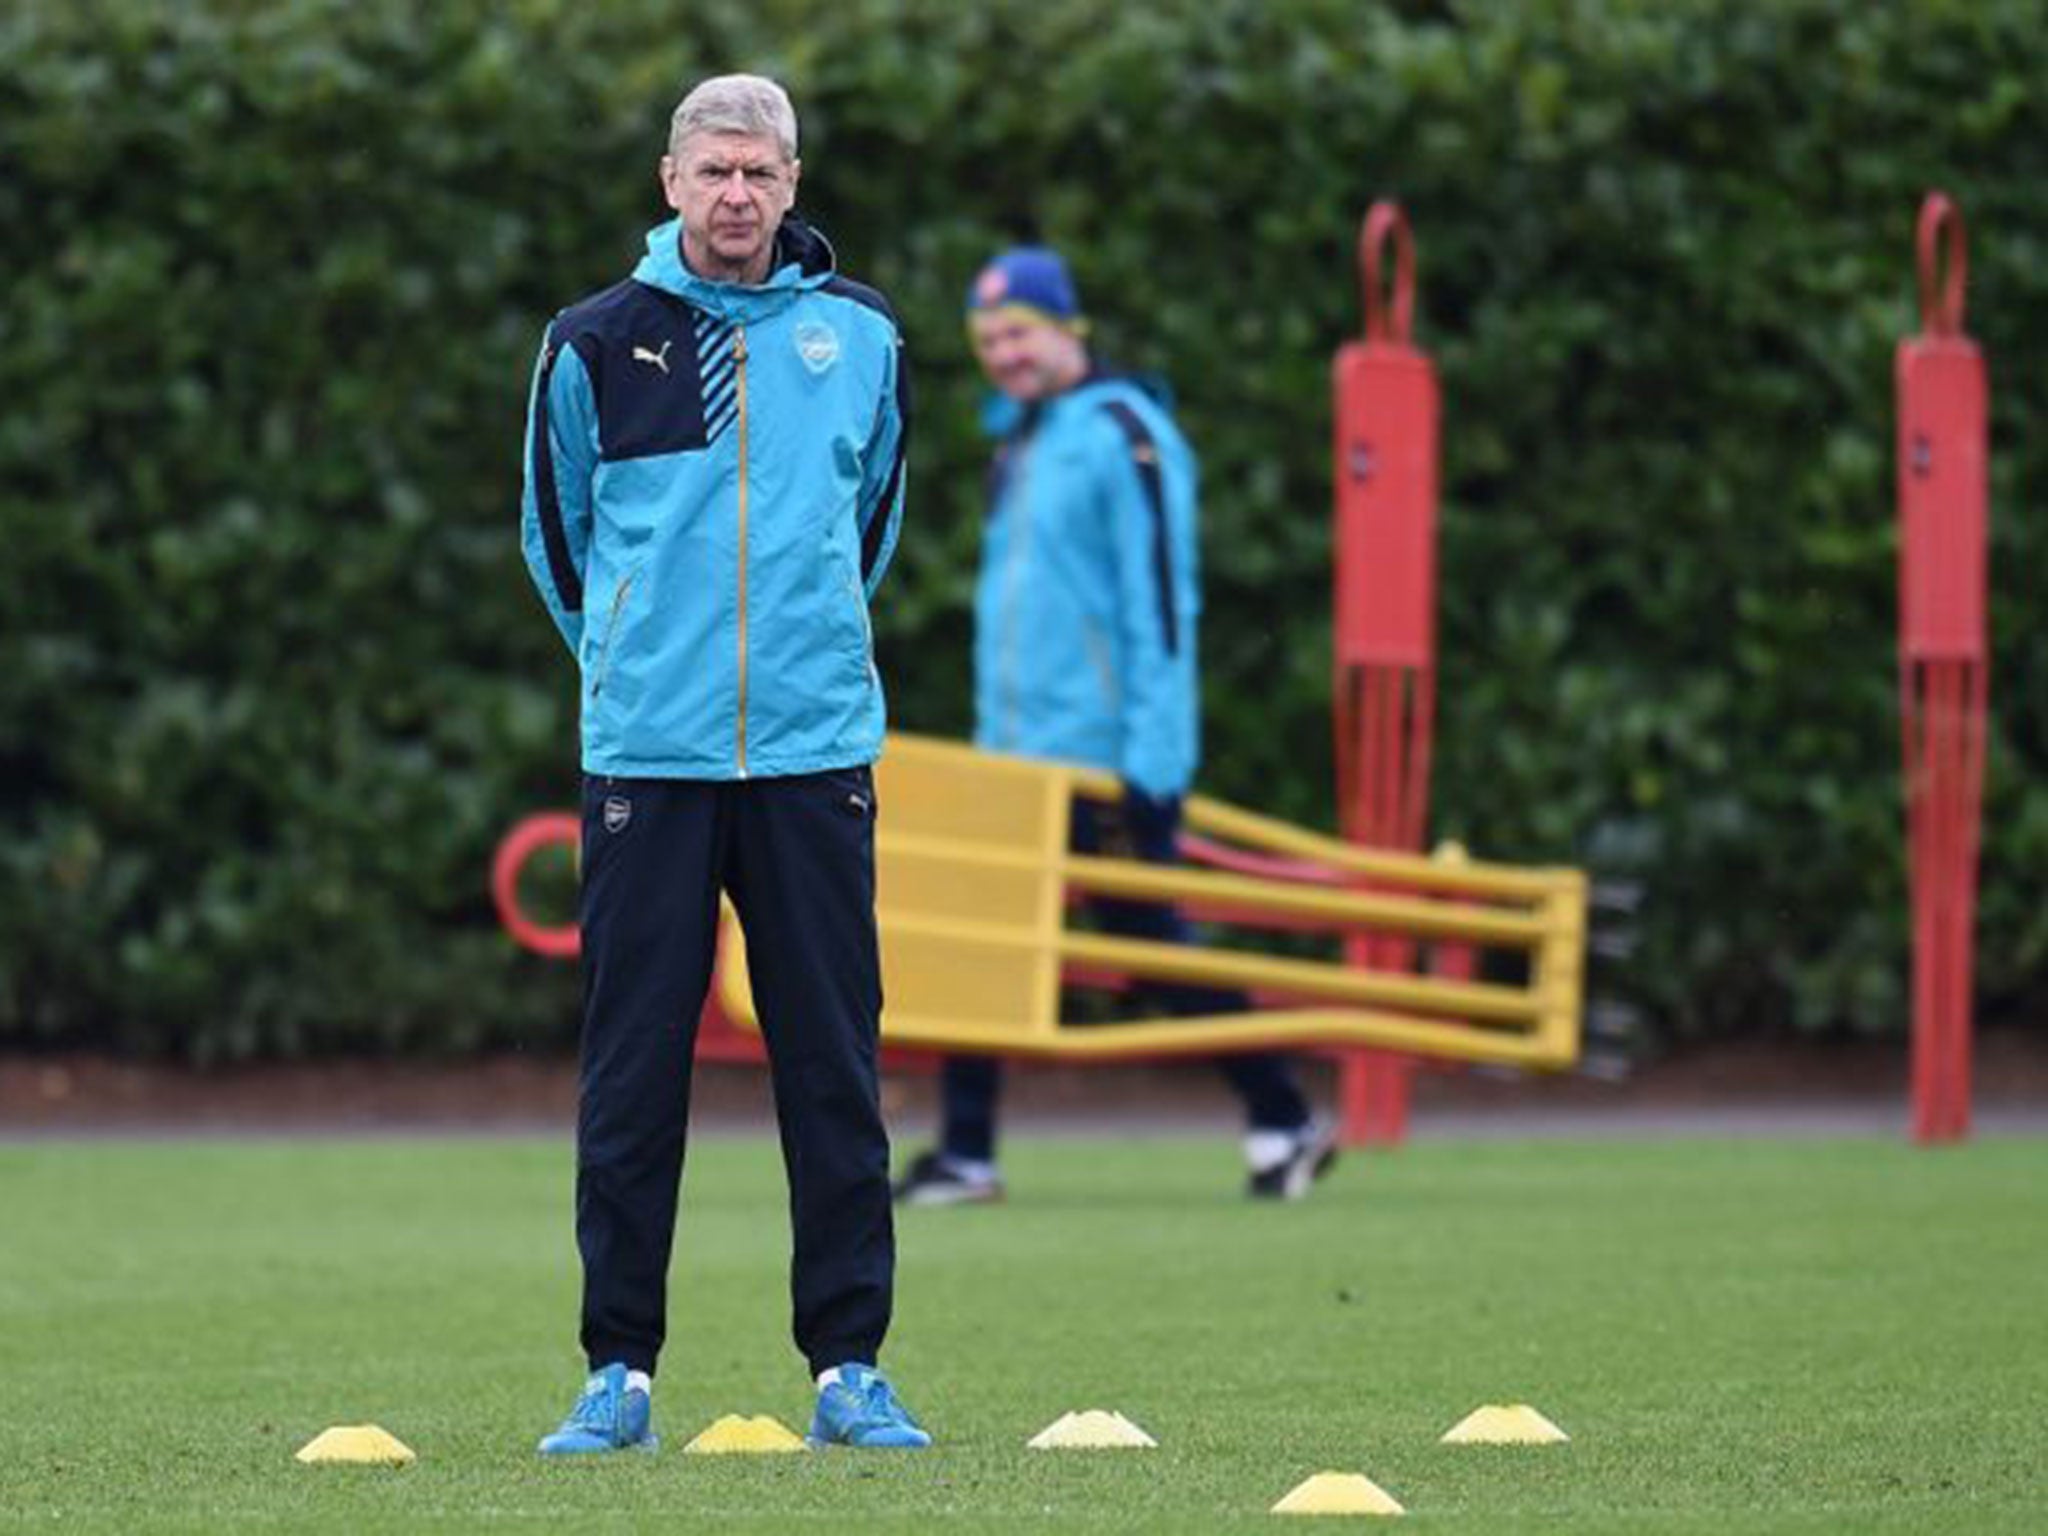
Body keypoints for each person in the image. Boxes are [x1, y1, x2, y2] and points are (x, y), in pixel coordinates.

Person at [519, 74, 928, 1453]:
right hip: (653, 756)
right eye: (716, 173)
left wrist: (801, 655)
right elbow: (558, 539)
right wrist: (635, 659)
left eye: (762, 172)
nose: (738, 195)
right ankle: (617, 1372)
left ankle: (850, 1369)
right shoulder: (593, 343)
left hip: (816, 757)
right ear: (670, 182)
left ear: (794, 184)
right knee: (632, 1071)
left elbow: (869, 520)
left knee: (835, 1068)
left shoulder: (861, 338)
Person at [892, 247, 1336, 1208]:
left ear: (1069, 328)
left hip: (1102, 760)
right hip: (1017, 759)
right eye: (989, 340)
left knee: (1152, 946)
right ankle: (969, 1152)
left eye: (1021, 332)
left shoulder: (1127, 432)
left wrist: (1157, 758)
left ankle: (1285, 1112)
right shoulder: (1021, 440)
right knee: (984, 943)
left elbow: (1162, 605)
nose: (1005, 353)